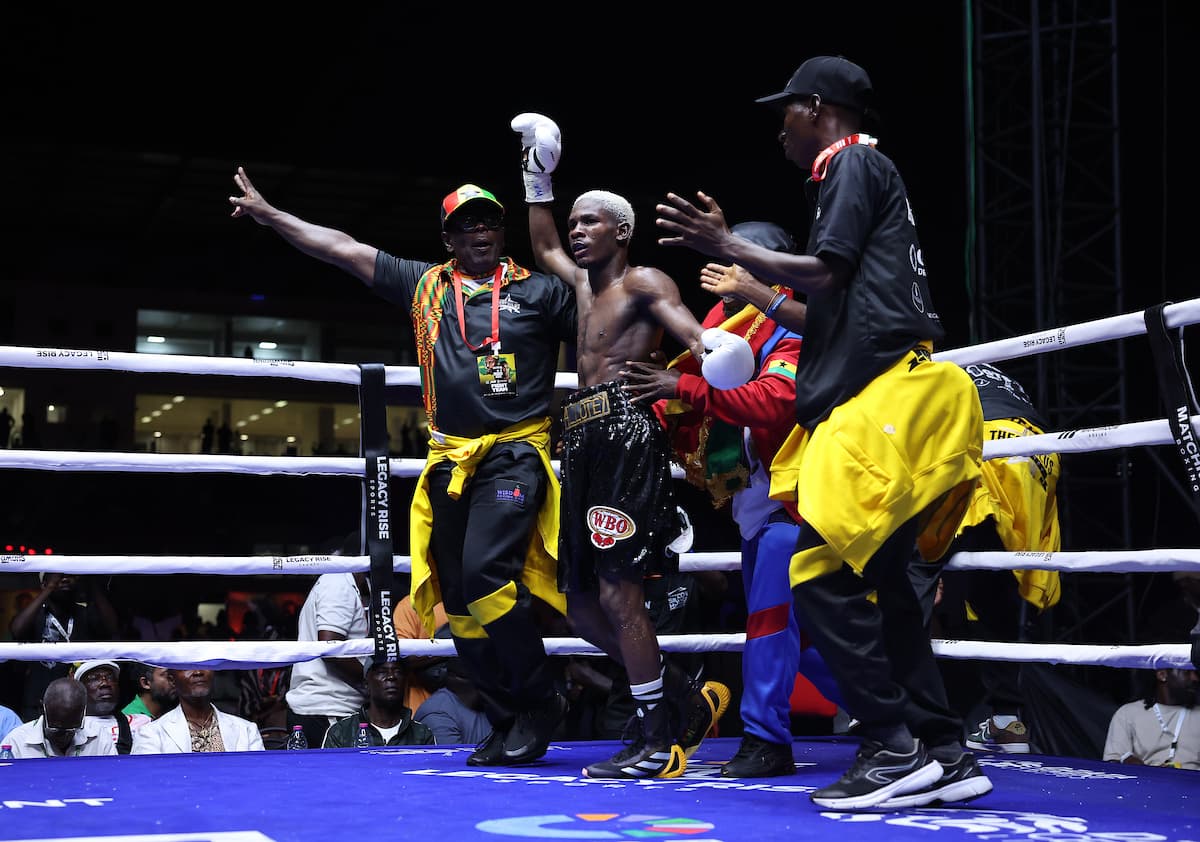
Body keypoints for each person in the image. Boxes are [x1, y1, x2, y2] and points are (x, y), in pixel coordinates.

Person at [655, 55, 991, 810]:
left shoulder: (850, 165)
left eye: (787, 113)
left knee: (817, 574)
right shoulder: (868, 180)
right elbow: (826, 308)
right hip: (893, 395)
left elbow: (828, 275)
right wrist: (757, 291)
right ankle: (943, 750)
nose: (779, 129)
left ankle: (891, 745)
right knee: (892, 589)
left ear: (816, 108)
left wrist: (729, 247)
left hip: (880, 402)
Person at [230, 169, 577, 768]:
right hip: (448, 459)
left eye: (488, 221)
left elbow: (602, 331)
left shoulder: (541, 291)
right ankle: (506, 716)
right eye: (465, 224)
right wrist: (272, 216)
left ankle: (542, 699)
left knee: (489, 578)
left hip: (515, 451)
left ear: (502, 229)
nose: (479, 232)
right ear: (448, 237)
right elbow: (342, 248)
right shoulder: (424, 287)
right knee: (459, 603)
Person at [514, 113, 750, 779]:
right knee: (581, 604)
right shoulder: (581, 286)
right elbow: (541, 243)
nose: (577, 230)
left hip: (624, 432)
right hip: (582, 440)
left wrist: (703, 363)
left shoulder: (644, 282)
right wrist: (538, 173)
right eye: (576, 220)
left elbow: (697, 337)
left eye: (590, 221)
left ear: (621, 231)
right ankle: (678, 695)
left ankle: (653, 735)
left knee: (620, 595)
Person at [625, 220, 843, 777]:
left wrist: (683, 388)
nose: (721, 281)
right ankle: (902, 721)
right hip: (757, 502)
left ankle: (767, 740)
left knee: (771, 623)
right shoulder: (729, 326)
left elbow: (776, 400)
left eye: (735, 263)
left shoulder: (797, 324)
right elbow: (698, 397)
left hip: (798, 498)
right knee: (813, 631)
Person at [907, 362, 1062, 754]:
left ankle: (901, 710)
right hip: (1038, 452)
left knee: (916, 569)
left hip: (983, 442)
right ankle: (1008, 722)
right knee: (998, 583)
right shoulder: (982, 369)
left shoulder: (919, 369)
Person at [10, 572, 119, 721]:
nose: (65, 579)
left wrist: (92, 584)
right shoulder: (37, 614)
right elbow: (17, 630)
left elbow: (111, 628)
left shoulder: (84, 613)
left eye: (70, 575)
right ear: (44, 583)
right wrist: (48, 589)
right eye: (58, 576)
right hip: (38, 701)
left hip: (80, 703)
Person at [285, 562, 371, 749]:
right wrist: (369, 678)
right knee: (336, 776)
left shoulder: (341, 584)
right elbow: (330, 646)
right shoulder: (338, 582)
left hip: (326, 705)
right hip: (327, 707)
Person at [131, 668, 264, 753]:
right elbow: (146, 783)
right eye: (187, 668)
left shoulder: (246, 730)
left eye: (205, 665)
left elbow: (258, 778)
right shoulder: (151, 734)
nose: (198, 672)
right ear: (172, 680)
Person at [322, 657, 435, 748]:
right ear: (366, 683)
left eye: (398, 671)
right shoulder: (341, 732)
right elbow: (329, 775)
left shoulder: (422, 734)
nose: (391, 677)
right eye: (382, 672)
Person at [1103, 667, 1199, 769]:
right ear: (1162, 675)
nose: (1195, 678)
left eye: (1196, 673)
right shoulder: (1128, 713)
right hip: (1145, 782)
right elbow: (1112, 763)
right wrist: (1134, 765)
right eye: (1187, 672)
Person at [5, 677, 116, 758]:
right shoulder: (16, 742)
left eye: (72, 729)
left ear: (83, 713)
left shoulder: (99, 737)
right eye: (56, 729)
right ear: (42, 710)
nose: (64, 736)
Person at [74, 659, 137, 754]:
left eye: (110, 678)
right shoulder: (72, 731)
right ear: (80, 689)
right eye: (94, 678)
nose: (105, 683)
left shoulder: (142, 723)